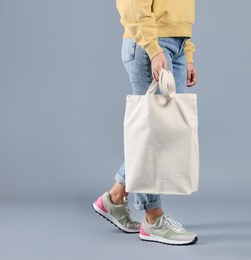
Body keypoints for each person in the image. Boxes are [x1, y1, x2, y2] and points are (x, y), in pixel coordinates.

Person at [93, 0, 198, 245]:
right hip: (150, 44)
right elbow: (131, 4)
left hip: (176, 43)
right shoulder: (151, 46)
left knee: (164, 132)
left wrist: (188, 50)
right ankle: (152, 218)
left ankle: (115, 198)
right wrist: (153, 48)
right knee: (151, 134)